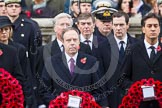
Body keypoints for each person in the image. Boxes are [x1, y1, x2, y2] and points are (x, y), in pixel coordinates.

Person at [39, 27, 109, 107]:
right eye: (68, 40)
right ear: (63, 42)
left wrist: (86, 102)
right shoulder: (51, 62)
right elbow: (44, 90)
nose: (72, 43)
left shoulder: (91, 62)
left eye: (75, 40)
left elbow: (99, 91)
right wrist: (59, 102)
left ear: (79, 42)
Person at [36, 13, 92, 107]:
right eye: (62, 24)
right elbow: (40, 81)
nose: (65, 27)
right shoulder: (43, 51)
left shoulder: (85, 48)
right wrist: (55, 102)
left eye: (68, 25)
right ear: (54, 28)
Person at [119, 13, 162, 108]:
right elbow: (122, 78)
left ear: (159, 29)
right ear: (143, 29)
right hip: (139, 104)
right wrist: (136, 89)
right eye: (149, 26)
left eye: (156, 26)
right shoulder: (132, 50)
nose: (153, 29)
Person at [97, 11, 138, 108]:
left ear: (128, 25)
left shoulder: (137, 45)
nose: (118, 28)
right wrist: (104, 103)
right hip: (111, 100)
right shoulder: (102, 47)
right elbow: (100, 78)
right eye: (115, 25)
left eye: (121, 25)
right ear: (112, 26)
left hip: (133, 98)